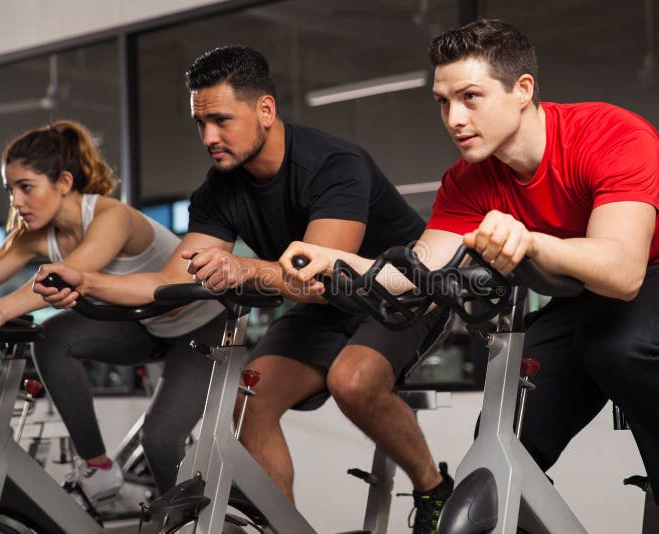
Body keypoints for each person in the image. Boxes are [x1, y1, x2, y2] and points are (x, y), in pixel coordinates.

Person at [280, 18, 659, 533]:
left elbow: (623, 273)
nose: (454, 118)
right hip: (584, 302)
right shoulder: (466, 181)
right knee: (503, 439)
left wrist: (532, 240)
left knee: (617, 344)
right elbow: (420, 270)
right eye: (442, 101)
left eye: (470, 97)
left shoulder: (612, 135)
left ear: (522, 90)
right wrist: (341, 266)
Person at [33, 46, 453, 532]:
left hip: (397, 296)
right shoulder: (218, 191)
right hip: (325, 307)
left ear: (266, 111)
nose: (209, 137)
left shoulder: (334, 164)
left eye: (221, 120)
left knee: (352, 380)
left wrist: (243, 269)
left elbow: (320, 276)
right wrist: (88, 281)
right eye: (199, 124)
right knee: (247, 399)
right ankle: (285, 528)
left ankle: (432, 487)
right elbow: (170, 280)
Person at [0, 120, 225, 502]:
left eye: (26, 187)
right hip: (142, 326)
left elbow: (73, 275)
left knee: (161, 441)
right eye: (10, 189)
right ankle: (97, 468)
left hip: (202, 327)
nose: (16, 201)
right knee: (52, 339)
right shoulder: (33, 236)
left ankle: (182, 525)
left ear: (64, 182)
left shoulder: (112, 217)